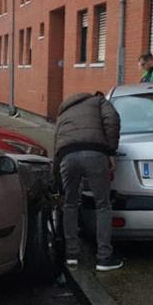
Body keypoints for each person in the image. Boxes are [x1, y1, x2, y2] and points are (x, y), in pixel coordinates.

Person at [53, 92, 123, 271]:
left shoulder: (64, 111)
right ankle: (104, 258)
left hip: (66, 156)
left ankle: (71, 255)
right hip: (94, 153)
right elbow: (112, 119)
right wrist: (110, 151)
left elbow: (57, 141)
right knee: (103, 204)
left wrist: (56, 175)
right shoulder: (99, 101)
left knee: (70, 204)